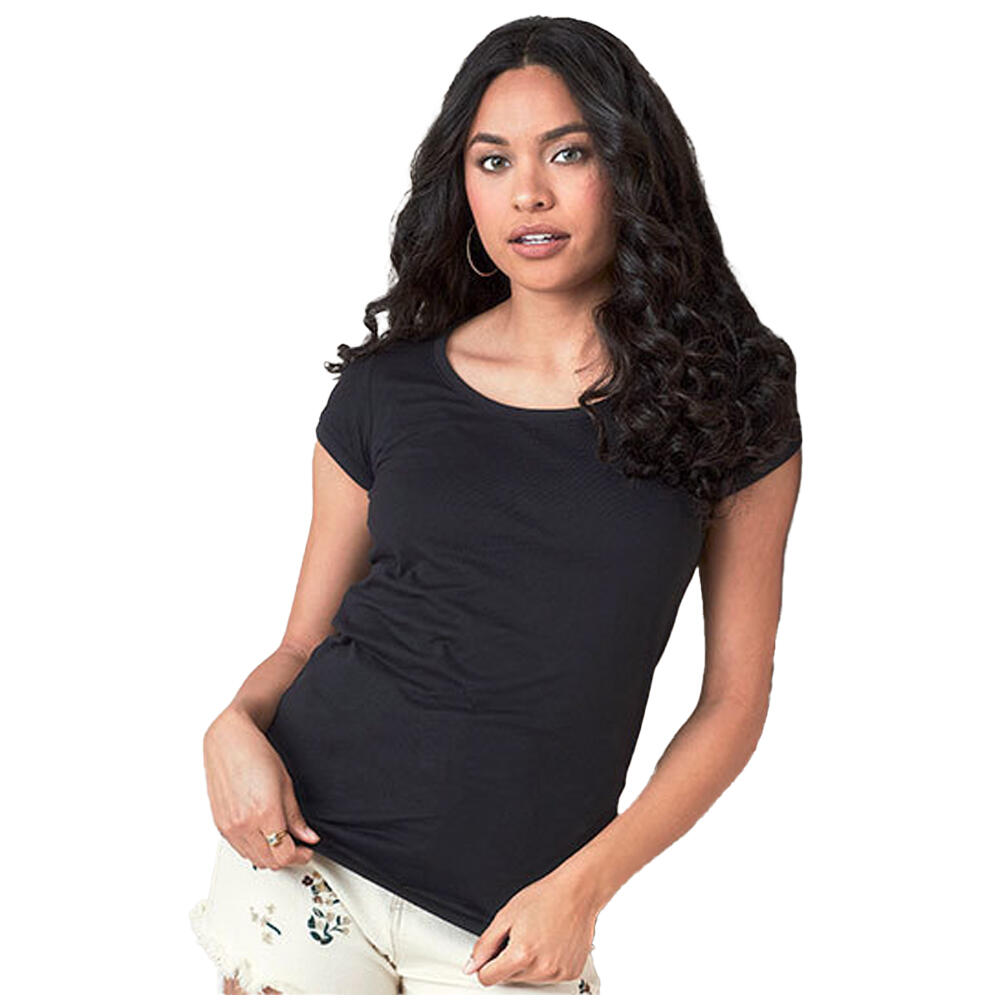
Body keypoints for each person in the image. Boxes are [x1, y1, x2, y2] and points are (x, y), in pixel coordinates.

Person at [189, 15, 802, 996]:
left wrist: (584, 888)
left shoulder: (729, 401)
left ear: (631, 167)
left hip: (513, 925)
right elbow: (306, 640)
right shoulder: (386, 391)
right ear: (461, 184)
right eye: (493, 159)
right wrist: (231, 725)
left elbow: (734, 700)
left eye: (569, 152)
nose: (528, 192)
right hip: (305, 865)